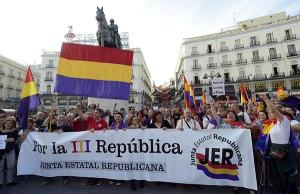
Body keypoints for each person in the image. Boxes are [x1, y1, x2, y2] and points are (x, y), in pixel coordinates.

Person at [260, 94, 298, 194]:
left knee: (287, 177)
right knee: (277, 177)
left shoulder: (284, 122)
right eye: (268, 112)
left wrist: (266, 100)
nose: (269, 113)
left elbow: (274, 110)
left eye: (270, 112)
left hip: (284, 152)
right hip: (274, 151)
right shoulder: (271, 124)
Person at [0, 117, 18, 188]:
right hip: (0, 151)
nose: (8, 124)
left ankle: (9, 181)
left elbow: (14, 139)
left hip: (10, 150)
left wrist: (5, 139)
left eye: (10, 123)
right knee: (0, 167)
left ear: (12, 125)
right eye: (7, 122)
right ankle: (0, 182)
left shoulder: (14, 131)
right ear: (4, 123)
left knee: (11, 165)